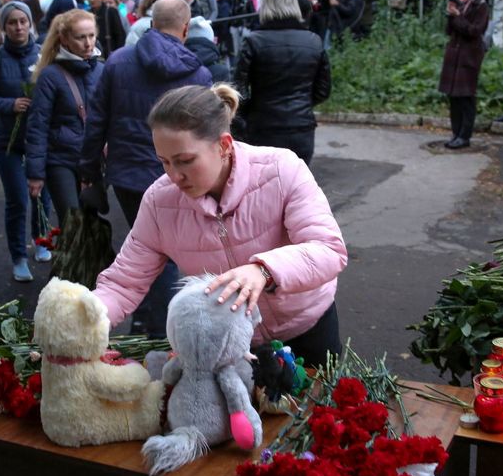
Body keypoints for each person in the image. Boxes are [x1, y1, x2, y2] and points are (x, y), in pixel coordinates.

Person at [92, 84, 347, 366]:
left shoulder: (280, 170)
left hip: (307, 329)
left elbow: (327, 250)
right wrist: (85, 324)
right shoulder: (159, 201)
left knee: (319, 407)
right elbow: (123, 283)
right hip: (228, 344)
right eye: (164, 162)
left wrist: (263, 270)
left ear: (223, 145)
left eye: (185, 161)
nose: (174, 176)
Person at [79, 0, 212, 336]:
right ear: (185, 29)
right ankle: (159, 331)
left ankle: (146, 322)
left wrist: (89, 170)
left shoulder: (118, 62)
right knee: (168, 252)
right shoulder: (198, 72)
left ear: (150, 24)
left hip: (127, 175)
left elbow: (97, 120)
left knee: (146, 247)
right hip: (177, 177)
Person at [0, 1, 42, 281]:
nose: (18, 27)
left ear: (30, 23)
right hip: (7, 141)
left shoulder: (42, 54)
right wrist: (9, 104)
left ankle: (42, 241)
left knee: (42, 197)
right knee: (17, 199)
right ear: (4, 27)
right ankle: (18, 256)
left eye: (22, 21)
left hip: (39, 139)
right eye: (12, 22)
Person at [234, 0, 330, 165]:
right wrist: (302, 102)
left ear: (265, 4)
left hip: (263, 126)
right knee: (297, 189)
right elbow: (323, 90)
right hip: (301, 128)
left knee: (263, 188)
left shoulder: (253, 41)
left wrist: (250, 111)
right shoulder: (313, 41)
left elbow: (238, 89)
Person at [25, 10, 101, 223]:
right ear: (65, 39)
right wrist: (36, 173)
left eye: (91, 35)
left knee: (91, 224)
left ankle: (90, 258)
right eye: (80, 37)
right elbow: (38, 126)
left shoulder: (101, 70)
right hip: (61, 159)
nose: (88, 43)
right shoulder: (51, 76)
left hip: (92, 161)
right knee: (72, 223)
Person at [437, 0, 490, 149]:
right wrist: (451, 16)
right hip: (455, 55)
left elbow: (474, 31)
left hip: (469, 56)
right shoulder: (460, 4)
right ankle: (455, 132)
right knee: (454, 96)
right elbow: (450, 31)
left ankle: (464, 135)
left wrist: (458, 18)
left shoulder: (480, 5)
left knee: (466, 96)